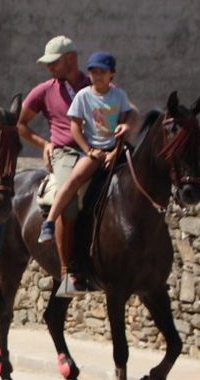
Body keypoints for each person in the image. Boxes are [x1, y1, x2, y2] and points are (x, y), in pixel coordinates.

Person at [40, 51, 138, 296]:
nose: (97, 76)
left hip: (114, 151)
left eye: (102, 72)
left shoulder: (118, 95)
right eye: (93, 72)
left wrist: (125, 129)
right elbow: (75, 125)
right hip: (92, 151)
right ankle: (50, 222)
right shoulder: (83, 95)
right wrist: (89, 150)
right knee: (72, 182)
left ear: (112, 74)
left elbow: (128, 115)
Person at [18, 33, 90, 245]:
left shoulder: (93, 84)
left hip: (97, 150)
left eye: (53, 62)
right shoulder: (44, 90)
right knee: (67, 198)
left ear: (70, 58)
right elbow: (20, 124)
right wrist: (45, 143)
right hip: (65, 153)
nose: (49, 68)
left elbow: (124, 108)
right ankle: (68, 268)